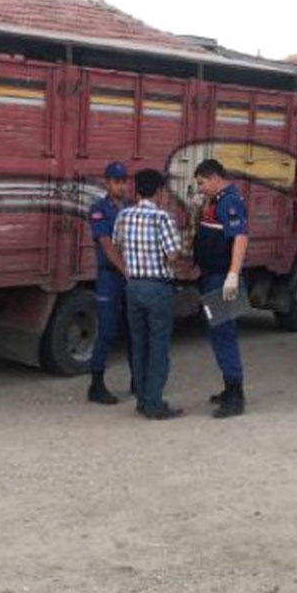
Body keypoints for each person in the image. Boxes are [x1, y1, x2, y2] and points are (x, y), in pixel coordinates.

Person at [113, 169, 183, 420]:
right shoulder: (162, 218)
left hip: (133, 287)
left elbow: (118, 244)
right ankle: (154, 402)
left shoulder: (124, 216)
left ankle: (142, 399)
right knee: (158, 346)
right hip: (157, 287)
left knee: (138, 345)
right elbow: (174, 253)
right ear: (159, 192)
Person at [193, 159, 248, 419]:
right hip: (210, 276)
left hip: (221, 278)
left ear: (215, 178)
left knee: (224, 334)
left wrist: (233, 275)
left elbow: (240, 237)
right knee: (217, 334)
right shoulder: (216, 201)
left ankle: (236, 395)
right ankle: (229, 387)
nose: (200, 189)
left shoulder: (230, 201)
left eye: (202, 183)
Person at [86, 161, 133, 405]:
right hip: (109, 277)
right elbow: (106, 243)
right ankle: (96, 384)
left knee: (134, 329)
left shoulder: (131, 208)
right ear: (107, 182)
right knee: (106, 331)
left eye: (124, 181)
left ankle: (138, 381)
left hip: (129, 277)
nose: (122, 185)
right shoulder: (99, 209)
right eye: (117, 181)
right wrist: (125, 269)